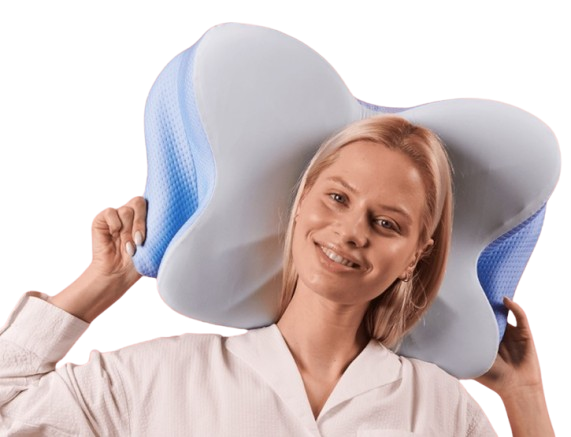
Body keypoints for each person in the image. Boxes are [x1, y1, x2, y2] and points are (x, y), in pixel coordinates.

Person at [0, 116, 556, 436]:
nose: (351, 232)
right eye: (337, 198)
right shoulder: (166, 374)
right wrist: (105, 281)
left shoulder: (439, 408)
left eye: (387, 223)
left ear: (416, 255)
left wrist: (524, 395)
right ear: (301, 202)